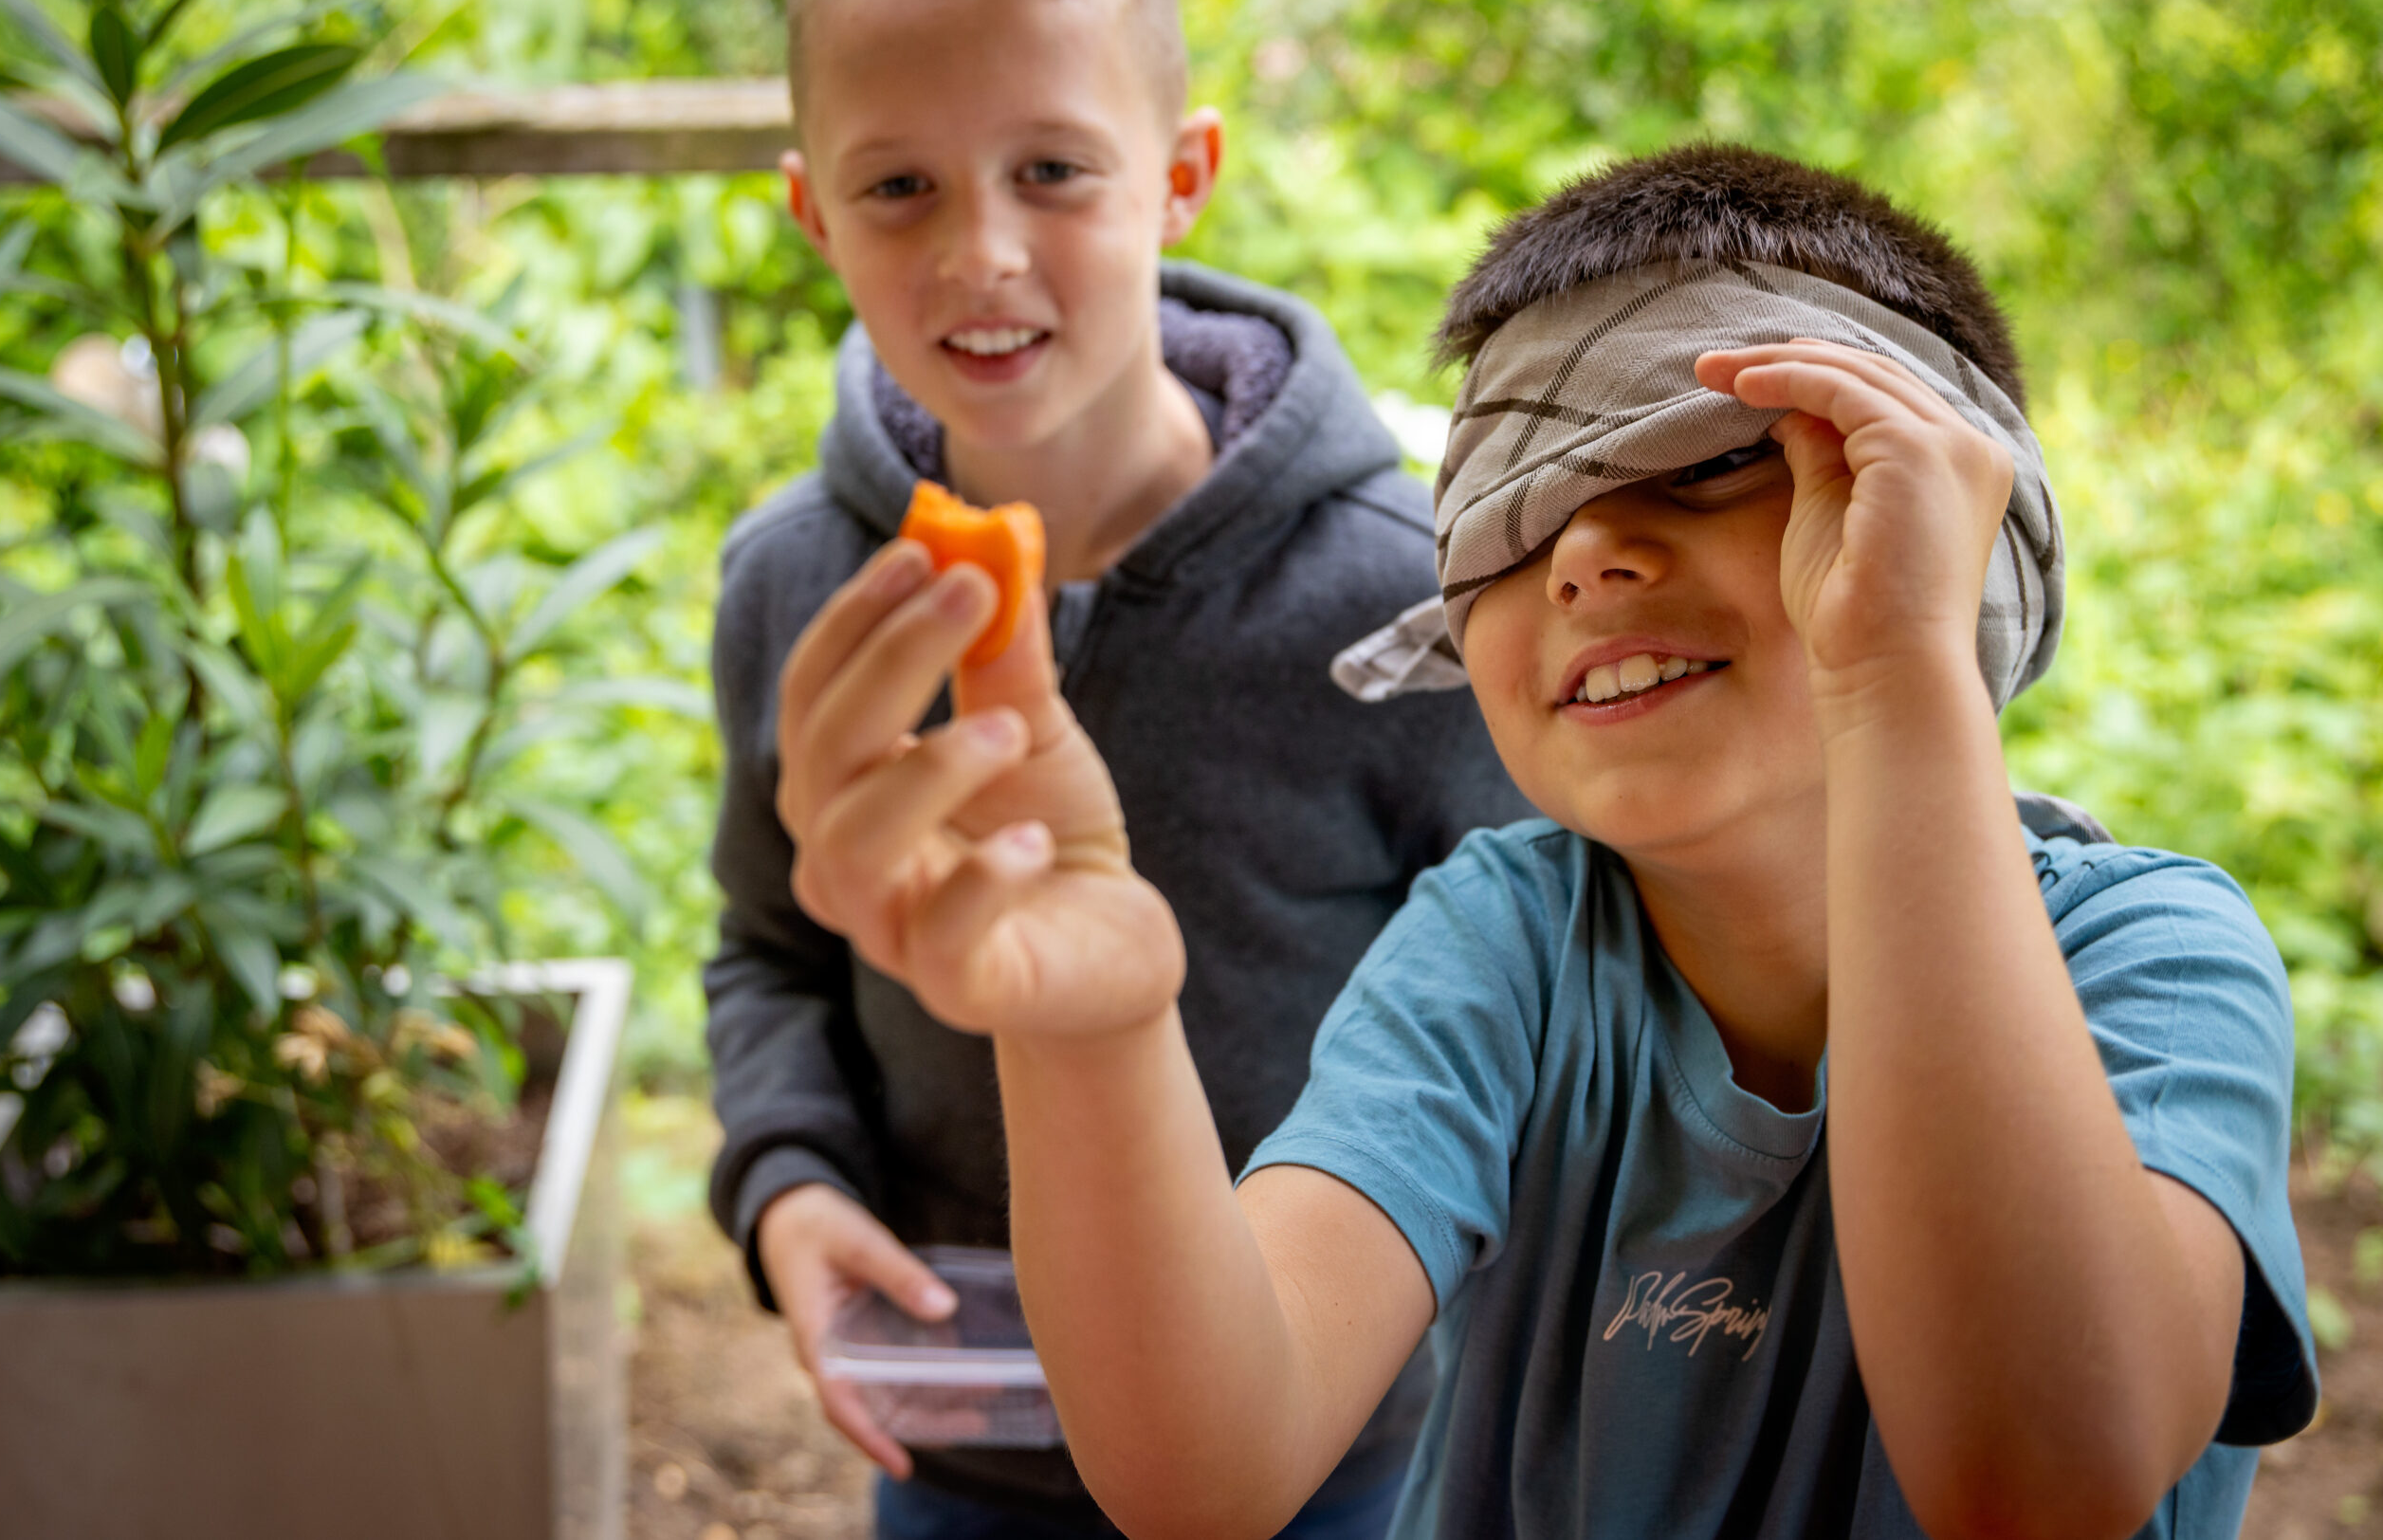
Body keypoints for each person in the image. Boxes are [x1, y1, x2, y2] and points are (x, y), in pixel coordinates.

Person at [769, 143, 2320, 1539]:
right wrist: (1093, 1028)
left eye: (1710, 457)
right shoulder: (1503, 946)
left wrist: (1898, 678)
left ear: (1961, 529)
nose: (1582, 551)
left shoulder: (2158, 964)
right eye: (1508, 517)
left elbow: (2036, 1483)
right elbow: (1207, 1462)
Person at [701, 0, 1530, 1532]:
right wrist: (788, 1189)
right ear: (811, 211)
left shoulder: (1405, 592)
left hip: (1345, 1452)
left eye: (1055, 171)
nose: (982, 253)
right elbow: (768, 950)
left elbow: (1538, 1000)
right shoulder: (795, 586)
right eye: (900, 187)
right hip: (959, 1445)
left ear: (1182, 174)